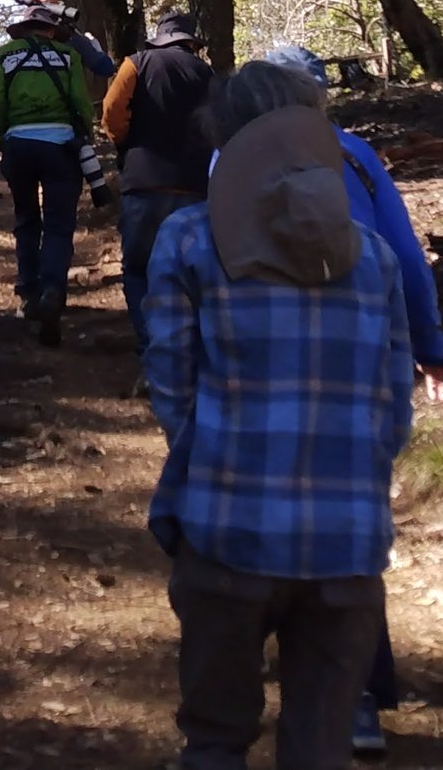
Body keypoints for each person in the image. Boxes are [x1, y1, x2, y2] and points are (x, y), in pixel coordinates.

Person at [142, 62, 413, 770]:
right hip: (350, 549)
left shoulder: (189, 240)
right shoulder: (375, 258)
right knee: (321, 747)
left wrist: (215, 462)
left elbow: (172, 386)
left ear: (226, 140)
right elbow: (394, 409)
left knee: (214, 740)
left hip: (227, 534)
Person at [262, 43, 443, 757]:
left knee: (276, 512)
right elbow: (405, 257)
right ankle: (359, 696)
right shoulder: (357, 157)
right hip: (368, 357)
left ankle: (264, 668)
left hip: (272, 368)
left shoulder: (232, 168)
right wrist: (430, 345)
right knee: (355, 519)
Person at [0, 1, 96, 346]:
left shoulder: (6, 55)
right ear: (50, 29)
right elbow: (79, 100)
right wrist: (84, 135)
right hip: (61, 147)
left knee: (26, 218)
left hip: (19, 146)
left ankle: (29, 293)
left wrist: (2, 134)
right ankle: (53, 292)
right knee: (59, 223)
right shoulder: (68, 56)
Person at [100, 10, 215, 353]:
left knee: (137, 269)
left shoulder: (136, 63)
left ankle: (153, 351)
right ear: (191, 42)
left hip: (143, 182)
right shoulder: (207, 74)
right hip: (195, 187)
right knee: (190, 273)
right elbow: (220, 125)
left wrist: (124, 143)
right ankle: (189, 351)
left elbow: (111, 111)